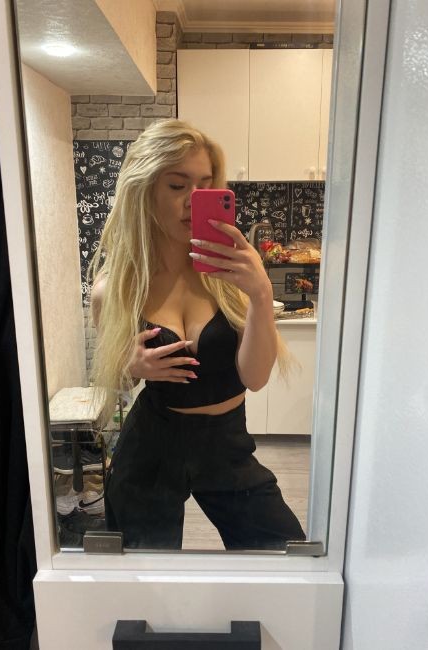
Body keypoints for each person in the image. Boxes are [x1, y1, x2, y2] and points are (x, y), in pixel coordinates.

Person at [90, 119, 305, 550]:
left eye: (205, 186)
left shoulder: (231, 274)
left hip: (226, 442)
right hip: (152, 443)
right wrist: (131, 365)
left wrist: (262, 293)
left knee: (284, 553)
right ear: (143, 190)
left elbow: (255, 377)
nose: (193, 200)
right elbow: (121, 381)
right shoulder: (116, 288)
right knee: (147, 572)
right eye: (177, 185)